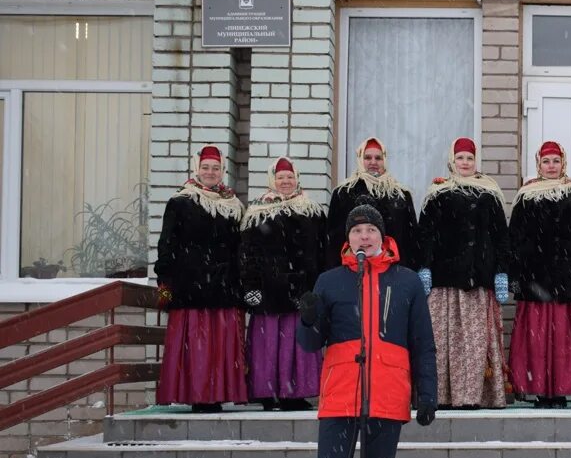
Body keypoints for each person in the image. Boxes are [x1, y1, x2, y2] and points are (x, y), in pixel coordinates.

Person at [290, 203, 438, 458]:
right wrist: (306, 318)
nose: (364, 237)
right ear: (348, 238)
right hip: (341, 396)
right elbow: (309, 344)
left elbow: (423, 343)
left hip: (387, 395)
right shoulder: (330, 281)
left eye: (371, 230)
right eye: (357, 231)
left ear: (382, 236)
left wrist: (427, 393)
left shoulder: (406, 282)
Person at [417, 137, 510, 409]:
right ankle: (443, 395)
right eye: (460, 158)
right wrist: (424, 267)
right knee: (443, 342)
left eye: (470, 158)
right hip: (445, 281)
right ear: (452, 161)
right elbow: (426, 235)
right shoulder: (437, 195)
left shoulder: (489, 195)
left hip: (478, 279)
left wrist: (501, 272)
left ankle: (472, 396)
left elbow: (500, 237)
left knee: (474, 342)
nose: (465, 163)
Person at [507, 140, 571, 409]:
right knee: (535, 341)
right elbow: (516, 238)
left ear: (564, 163)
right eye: (546, 161)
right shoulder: (527, 196)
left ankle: (560, 390)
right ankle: (539, 390)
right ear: (538, 164)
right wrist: (513, 274)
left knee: (563, 341)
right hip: (534, 278)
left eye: (555, 161)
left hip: (567, 278)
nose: (551, 166)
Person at [155, 145, 247, 413]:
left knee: (219, 347)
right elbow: (166, 245)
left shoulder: (233, 206)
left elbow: (238, 249)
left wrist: (240, 283)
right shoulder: (180, 202)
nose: (210, 172)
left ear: (222, 171)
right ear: (196, 168)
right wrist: (165, 283)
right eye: (205, 167)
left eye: (215, 168)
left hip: (223, 286)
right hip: (190, 287)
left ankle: (218, 394)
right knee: (196, 345)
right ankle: (197, 395)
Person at [239, 157, 326, 411]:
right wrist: (250, 287)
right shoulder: (257, 212)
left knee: (296, 342)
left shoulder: (311, 211)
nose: (285, 181)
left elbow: (321, 252)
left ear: (297, 178)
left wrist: (318, 289)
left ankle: (295, 393)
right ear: (272, 180)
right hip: (267, 292)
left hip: (301, 290)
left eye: (289, 177)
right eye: (280, 177)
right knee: (267, 345)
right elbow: (246, 253)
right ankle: (267, 393)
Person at [325, 137, 417, 270]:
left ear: (384, 160)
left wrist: (411, 270)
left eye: (378, 158)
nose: (373, 162)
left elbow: (411, 238)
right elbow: (333, 238)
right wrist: (334, 270)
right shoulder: (343, 193)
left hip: (394, 270)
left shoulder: (400, 194)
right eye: (368, 157)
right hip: (352, 270)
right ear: (360, 159)